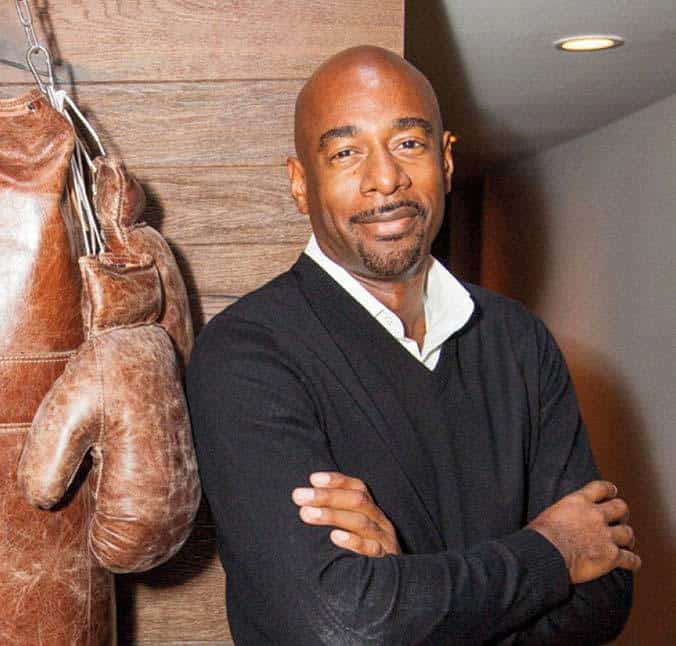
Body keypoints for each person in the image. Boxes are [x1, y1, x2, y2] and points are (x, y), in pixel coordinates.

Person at [185, 46, 638, 644]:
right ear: (300, 183)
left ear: (445, 160)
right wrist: (552, 552)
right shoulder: (246, 355)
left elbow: (605, 594)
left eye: (407, 143)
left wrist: (405, 592)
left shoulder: (518, 340)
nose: (385, 178)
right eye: (346, 153)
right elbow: (338, 621)